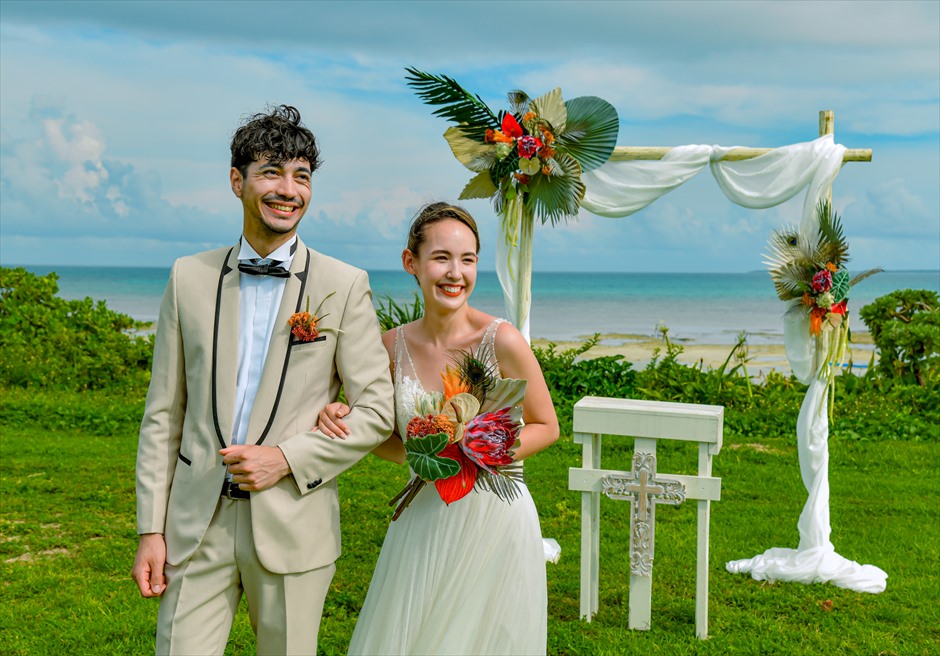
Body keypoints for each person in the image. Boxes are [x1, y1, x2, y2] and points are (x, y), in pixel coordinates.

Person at [131, 105, 395, 655]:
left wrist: (288, 458)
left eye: (301, 176)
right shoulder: (188, 276)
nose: (288, 189)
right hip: (194, 524)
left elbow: (376, 409)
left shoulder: (343, 285)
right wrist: (150, 530)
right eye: (272, 171)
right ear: (238, 181)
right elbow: (164, 414)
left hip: (293, 521)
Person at [316, 202, 559, 655]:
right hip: (423, 517)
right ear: (412, 262)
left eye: (467, 260)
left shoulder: (501, 340)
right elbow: (381, 437)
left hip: (496, 517)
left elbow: (547, 426)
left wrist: (477, 452)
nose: (455, 273)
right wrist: (342, 418)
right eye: (441, 257)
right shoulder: (391, 346)